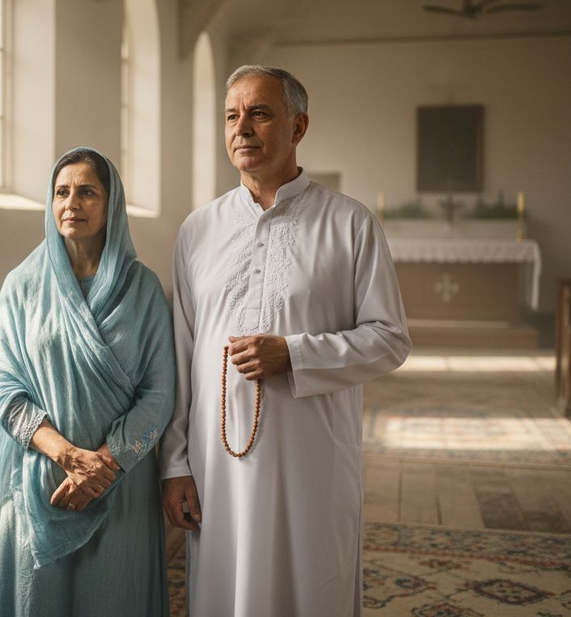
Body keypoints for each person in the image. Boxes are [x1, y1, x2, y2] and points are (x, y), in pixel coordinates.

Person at [160, 65, 411, 616]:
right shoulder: (196, 230)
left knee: (311, 586)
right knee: (227, 590)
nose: (242, 128)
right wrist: (174, 463)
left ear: (298, 127)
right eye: (231, 115)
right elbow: (179, 355)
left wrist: (295, 353)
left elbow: (390, 339)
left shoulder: (350, 224)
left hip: (313, 460)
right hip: (216, 461)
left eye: (260, 113)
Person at [0, 147, 175, 616]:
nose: (71, 204)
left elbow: (159, 395)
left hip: (117, 484)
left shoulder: (142, 289)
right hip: (40, 481)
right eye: (61, 192)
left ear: (111, 203)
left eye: (87, 192)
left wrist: (102, 466)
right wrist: (66, 455)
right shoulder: (21, 285)